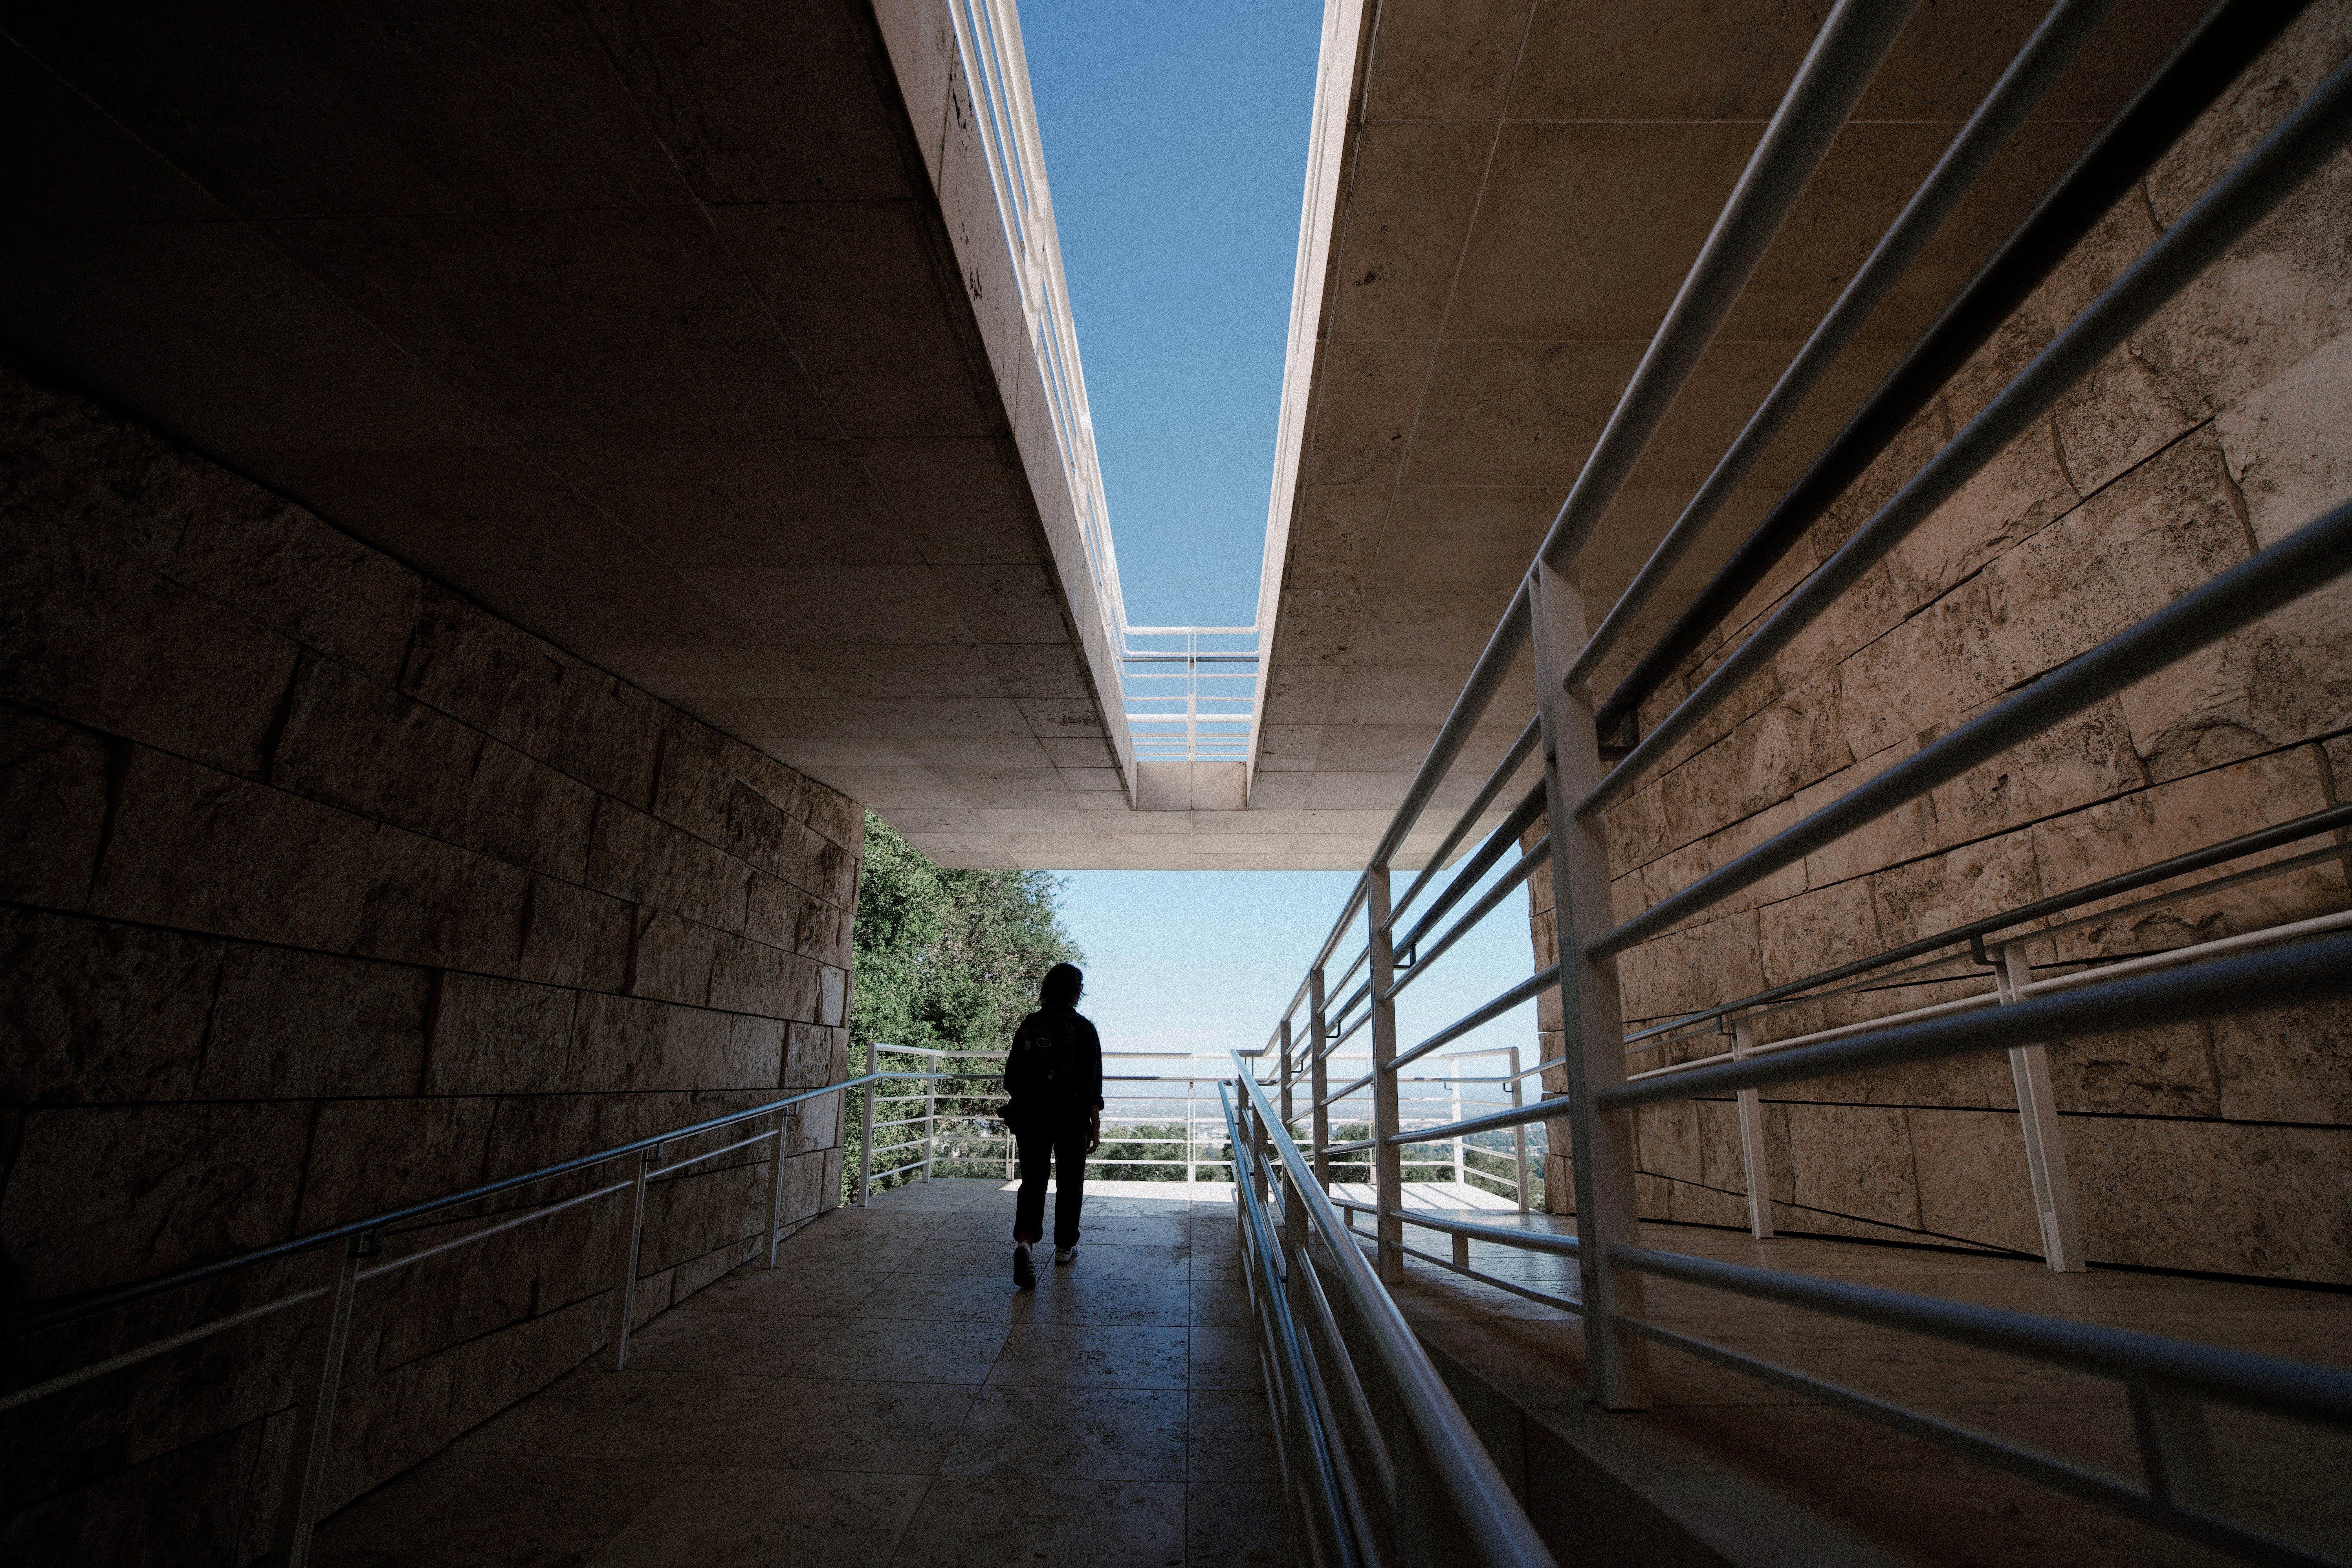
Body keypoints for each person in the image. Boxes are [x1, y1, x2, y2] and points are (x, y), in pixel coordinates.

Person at [1002, 962, 1102, 1289]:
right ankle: (1064, 1247)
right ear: (1076, 991)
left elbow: (1011, 1077)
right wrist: (1094, 1121)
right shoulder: (1084, 1029)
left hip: (1031, 1115)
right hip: (1071, 1117)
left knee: (1033, 1181)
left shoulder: (1031, 1025)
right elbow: (1091, 1084)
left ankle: (1025, 1242)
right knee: (1070, 1181)